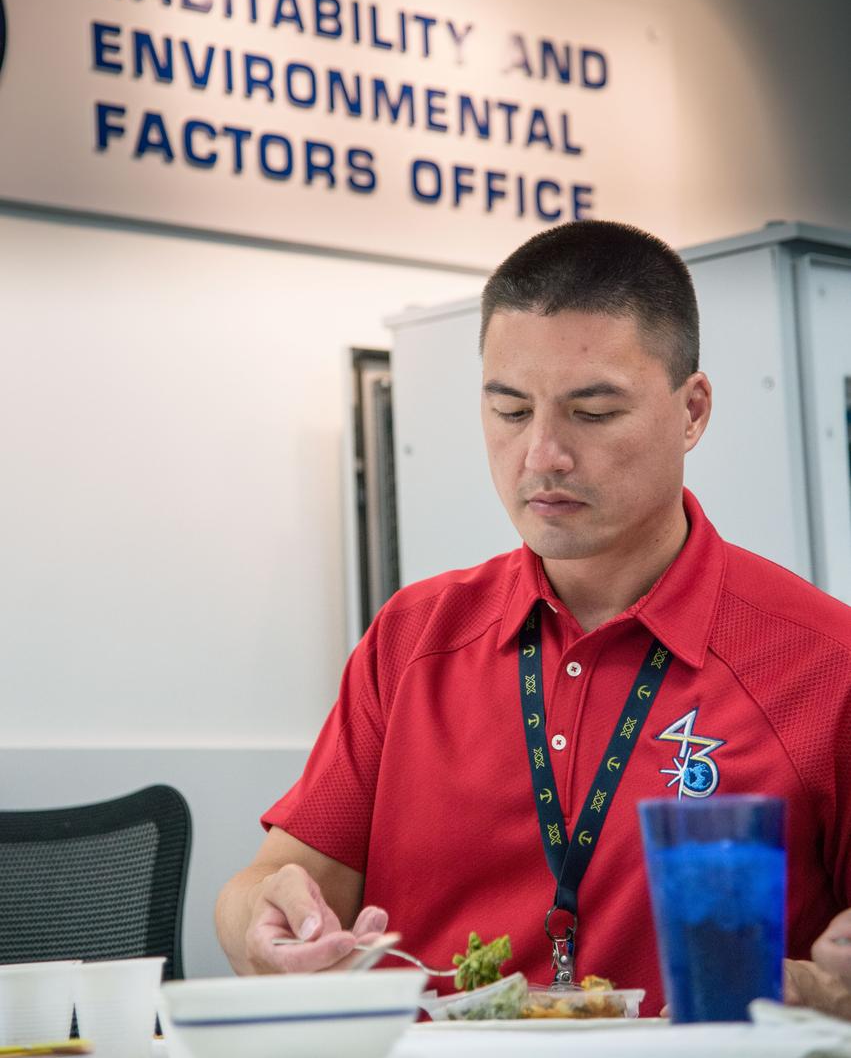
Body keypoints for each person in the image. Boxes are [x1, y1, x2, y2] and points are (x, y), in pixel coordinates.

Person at [215, 220, 851, 1016]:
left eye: (591, 411)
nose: (541, 453)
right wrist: (266, 925)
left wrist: (828, 989)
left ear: (691, 411)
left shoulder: (822, 661)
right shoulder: (413, 638)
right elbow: (260, 886)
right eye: (510, 410)